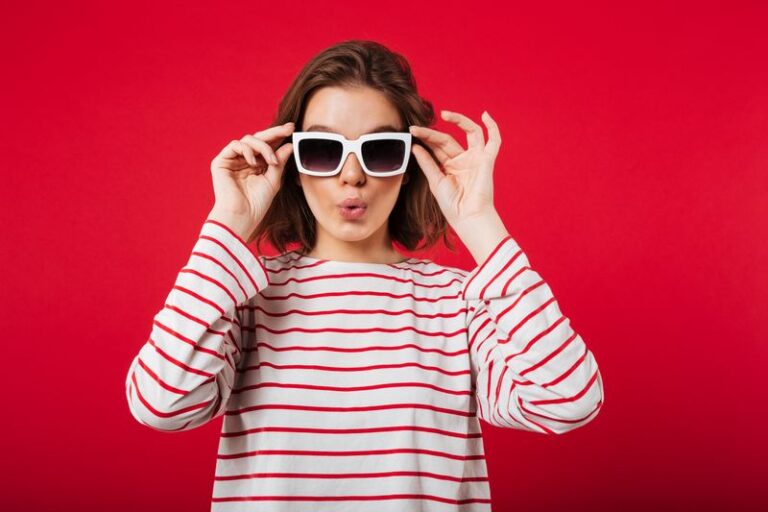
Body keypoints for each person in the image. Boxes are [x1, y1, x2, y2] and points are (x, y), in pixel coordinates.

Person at [125, 39, 604, 511]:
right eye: (321, 149)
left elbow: (568, 398)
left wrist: (480, 223)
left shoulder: (458, 303)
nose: (351, 175)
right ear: (291, 164)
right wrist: (226, 228)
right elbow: (162, 403)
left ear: (410, 166)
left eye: (378, 151)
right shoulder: (244, 298)